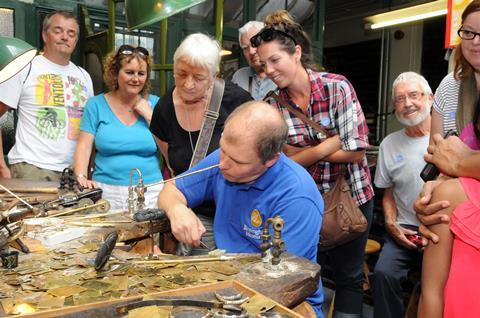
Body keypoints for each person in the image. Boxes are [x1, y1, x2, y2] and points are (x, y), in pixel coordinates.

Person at [253, 10, 374, 318]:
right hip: (304, 202)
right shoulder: (271, 105)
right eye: (263, 64)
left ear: (296, 52)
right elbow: (284, 161)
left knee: (348, 277)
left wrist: (306, 151)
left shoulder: (337, 88)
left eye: (275, 60)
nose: (268, 71)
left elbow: (357, 152)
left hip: (351, 197)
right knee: (301, 273)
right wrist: (330, 143)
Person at [157, 101, 324, 316]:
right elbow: (170, 190)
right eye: (223, 150)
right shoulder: (226, 159)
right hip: (225, 280)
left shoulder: (297, 196)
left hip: (282, 300)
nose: (223, 164)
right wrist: (177, 210)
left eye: (238, 161)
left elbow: (281, 282)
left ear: (271, 160)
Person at [149, 33, 252, 254]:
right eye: (181, 74)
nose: (188, 84)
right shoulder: (164, 108)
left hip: (237, 215)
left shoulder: (238, 102)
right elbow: (173, 166)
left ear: (214, 76)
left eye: (198, 77)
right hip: (191, 216)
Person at [0, 10, 93, 181]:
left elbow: (90, 129)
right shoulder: (25, 67)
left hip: (73, 172)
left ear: (76, 40)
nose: (65, 37)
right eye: (58, 31)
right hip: (31, 168)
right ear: (44, 35)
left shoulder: (84, 76)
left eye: (71, 33)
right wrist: (1, 166)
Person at [73, 45, 163, 210]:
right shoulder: (96, 105)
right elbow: (84, 146)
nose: (135, 79)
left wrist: (150, 114)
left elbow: (168, 146)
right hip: (106, 191)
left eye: (141, 74)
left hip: (151, 191)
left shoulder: (156, 104)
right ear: (115, 73)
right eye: (129, 72)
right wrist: (81, 177)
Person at [372, 72, 432, 318]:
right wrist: (390, 223)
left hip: (442, 229)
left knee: (438, 282)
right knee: (384, 274)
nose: (407, 103)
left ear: (430, 97)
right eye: (399, 99)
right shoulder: (389, 143)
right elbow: (388, 192)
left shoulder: (449, 138)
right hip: (405, 227)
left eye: (414, 95)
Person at [431, 0, 480, 139]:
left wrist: (463, 160)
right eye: (468, 32)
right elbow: (434, 150)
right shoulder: (448, 85)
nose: (475, 41)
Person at [231, 21, 276, 100]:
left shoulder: (282, 74)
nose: (251, 52)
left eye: (255, 44)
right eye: (245, 48)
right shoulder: (238, 77)